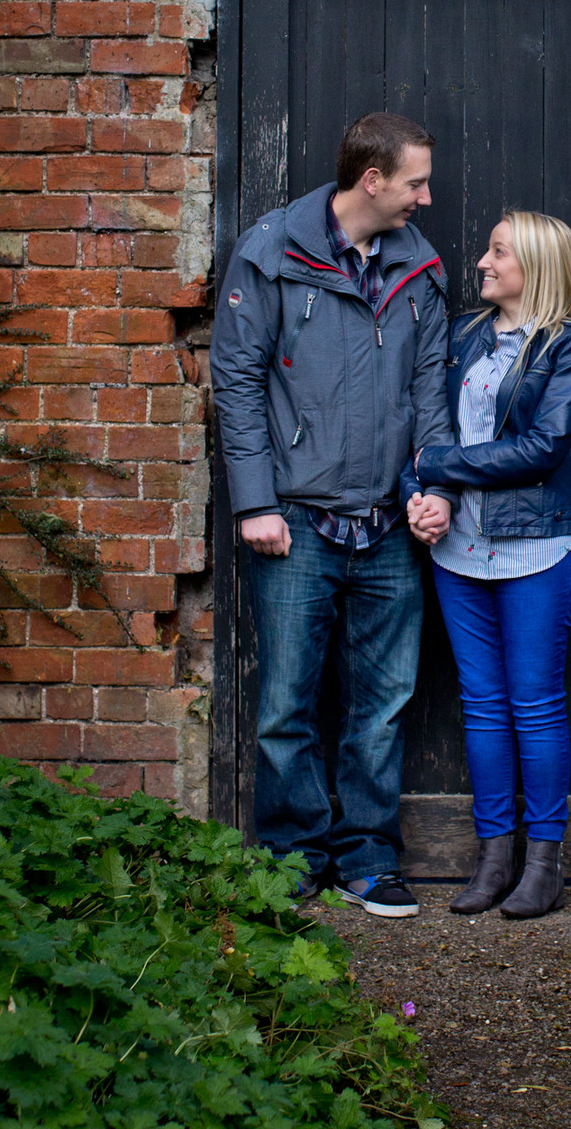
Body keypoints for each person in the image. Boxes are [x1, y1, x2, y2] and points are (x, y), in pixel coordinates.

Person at [210, 111, 455, 918]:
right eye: (416, 181)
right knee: (287, 702)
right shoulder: (272, 250)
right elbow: (237, 381)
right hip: (295, 519)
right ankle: (288, 859)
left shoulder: (419, 265)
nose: (427, 195)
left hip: (388, 523)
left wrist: (435, 488)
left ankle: (367, 860)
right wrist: (254, 503)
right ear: (373, 180)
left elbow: (432, 394)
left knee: (380, 705)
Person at [405, 211, 571, 919]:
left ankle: (542, 866)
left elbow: (542, 449)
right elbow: (425, 429)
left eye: (497, 252)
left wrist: (439, 468)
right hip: (457, 553)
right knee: (483, 707)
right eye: (485, 249)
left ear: (535, 268)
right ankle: (493, 860)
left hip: (535, 547)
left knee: (535, 705)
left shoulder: (569, 347)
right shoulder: (460, 336)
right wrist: (424, 496)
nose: (481, 262)